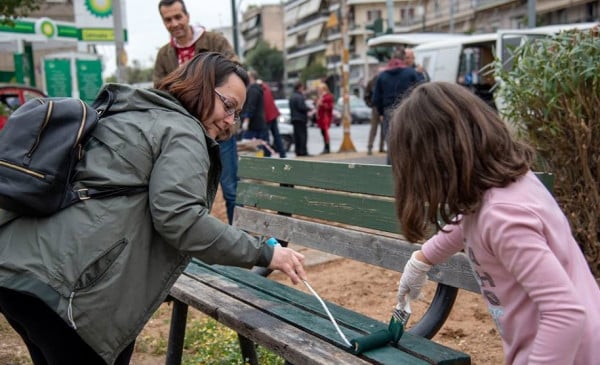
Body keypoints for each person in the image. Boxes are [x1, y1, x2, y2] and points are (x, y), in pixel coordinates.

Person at [0, 52, 307, 365]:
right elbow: (182, 220)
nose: (230, 121)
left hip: (19, 269)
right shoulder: (184, 132)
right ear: (201, 86)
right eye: (228, 105)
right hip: (69, 293)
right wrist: (267, 253)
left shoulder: (134, 110)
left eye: (236, 113)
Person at [391, 82, 600, 365]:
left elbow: (565, 313)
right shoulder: (501, 190)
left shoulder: (504, 216)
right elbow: (467, 222)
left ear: (437, 162)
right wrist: (422, 259)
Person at [153, 0, 239, 224]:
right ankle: (197, 245)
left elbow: (236, 74)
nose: (174, 23)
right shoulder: (164, 55)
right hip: (185, 136)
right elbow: (159, 92)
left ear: (187, 16)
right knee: (192, 194)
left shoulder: (214, 41)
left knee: (230, 190)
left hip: (220, 130)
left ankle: (241, 244)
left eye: (177, 17)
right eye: (168, 19)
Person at [372, 47, 423, 164]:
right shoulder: (411, 73)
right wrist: (420, 74)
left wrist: (381, 113)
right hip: (409, 112)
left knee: (392, 147)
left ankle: (391, 174)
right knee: (409, 145)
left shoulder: (382, 75)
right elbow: (421, 90)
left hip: (388, 113)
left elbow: (376, 98)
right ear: (403, 59)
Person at [240, 71, 269, 156]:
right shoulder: (258, 89)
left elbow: (251, 106)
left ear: (251, 77)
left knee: (247, 145)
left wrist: (246, 120)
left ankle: (255, 162)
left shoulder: (253, 90)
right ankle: (261, 160)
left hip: (253, 124)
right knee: (259, 145)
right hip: (259, 122)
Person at [259, 78, 287, 158]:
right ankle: (282, 154)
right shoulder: (266, 88)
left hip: (267, 117)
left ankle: (267, 154)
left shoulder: (260, 90)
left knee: (266, 136)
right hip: (273, 114)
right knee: (276, 135)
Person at [364, 66, 386, 155]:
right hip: (376, 108)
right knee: (374, 128)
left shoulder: (385, 80)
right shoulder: (371, 82)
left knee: (384, 128)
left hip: (384, 107)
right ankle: (370, 147)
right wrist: (371, 104)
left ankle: (381, 147)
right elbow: (366, 95)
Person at [289, 82, 311, 157]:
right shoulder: (299, 97)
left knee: (297, 136)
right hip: (301, 119)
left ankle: (298, 151)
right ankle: (302, 151)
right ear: (299, 88)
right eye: (302, 87)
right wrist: (308, 108)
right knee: (302, 136)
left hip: (294, 119)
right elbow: (301, 107)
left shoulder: (292, 96)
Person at [315, 83, 334, 154]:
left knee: (325, 132)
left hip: (325, 117)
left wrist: (322, 104)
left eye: (319, 89)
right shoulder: (321, 97)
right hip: (321, 117)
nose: (318, 91)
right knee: (323, 132)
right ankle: (326, 147)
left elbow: (329, 107)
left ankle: (327, 148)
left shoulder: (328, 96)